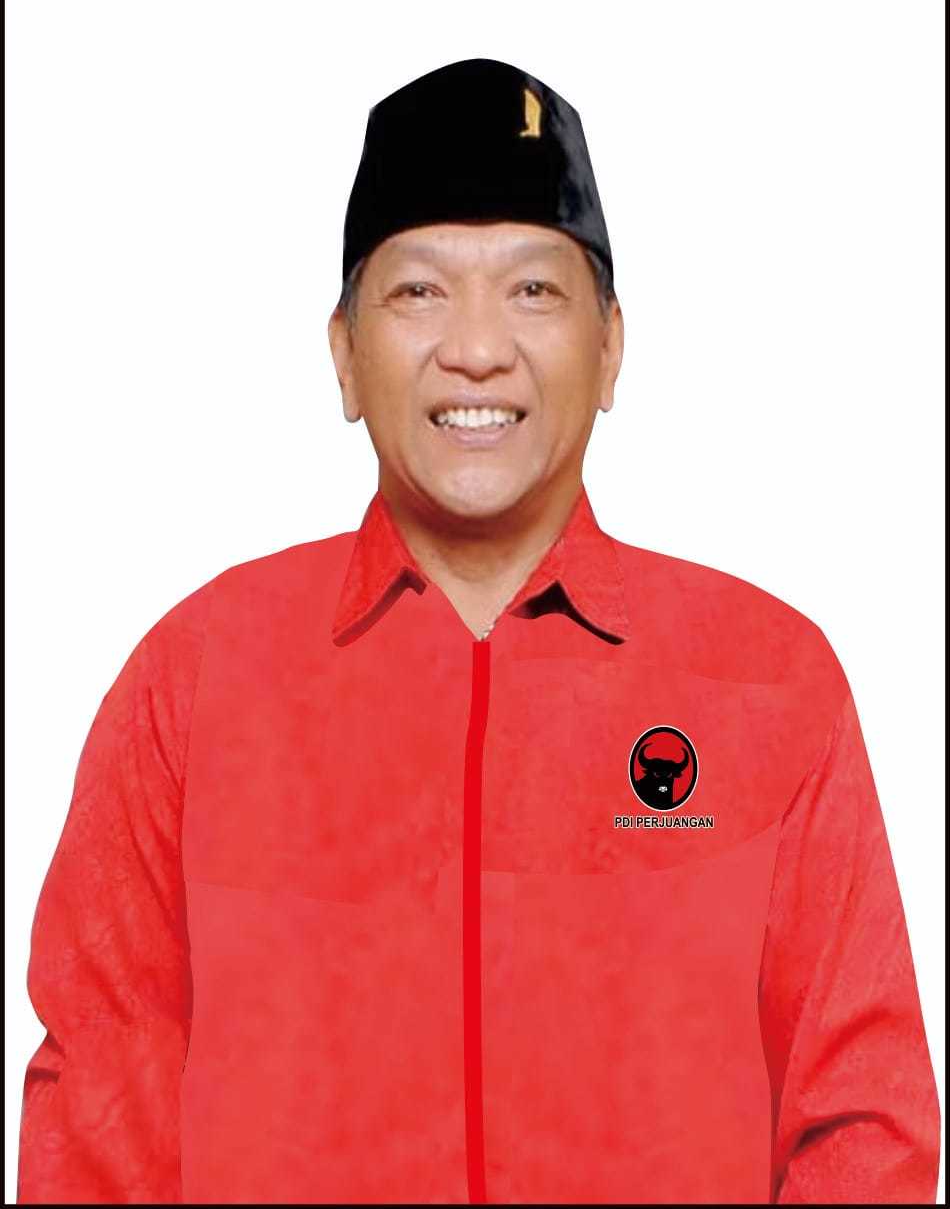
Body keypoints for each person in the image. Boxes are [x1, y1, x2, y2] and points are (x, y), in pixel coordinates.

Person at [16, 58, 940, 1205]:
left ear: (609, 348)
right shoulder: (198, 680)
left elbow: (860, 1117)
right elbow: (97, 1106)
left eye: (532, 290)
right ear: (343, 356)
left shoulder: (765, 681)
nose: (476, 347)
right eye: (418, 291)